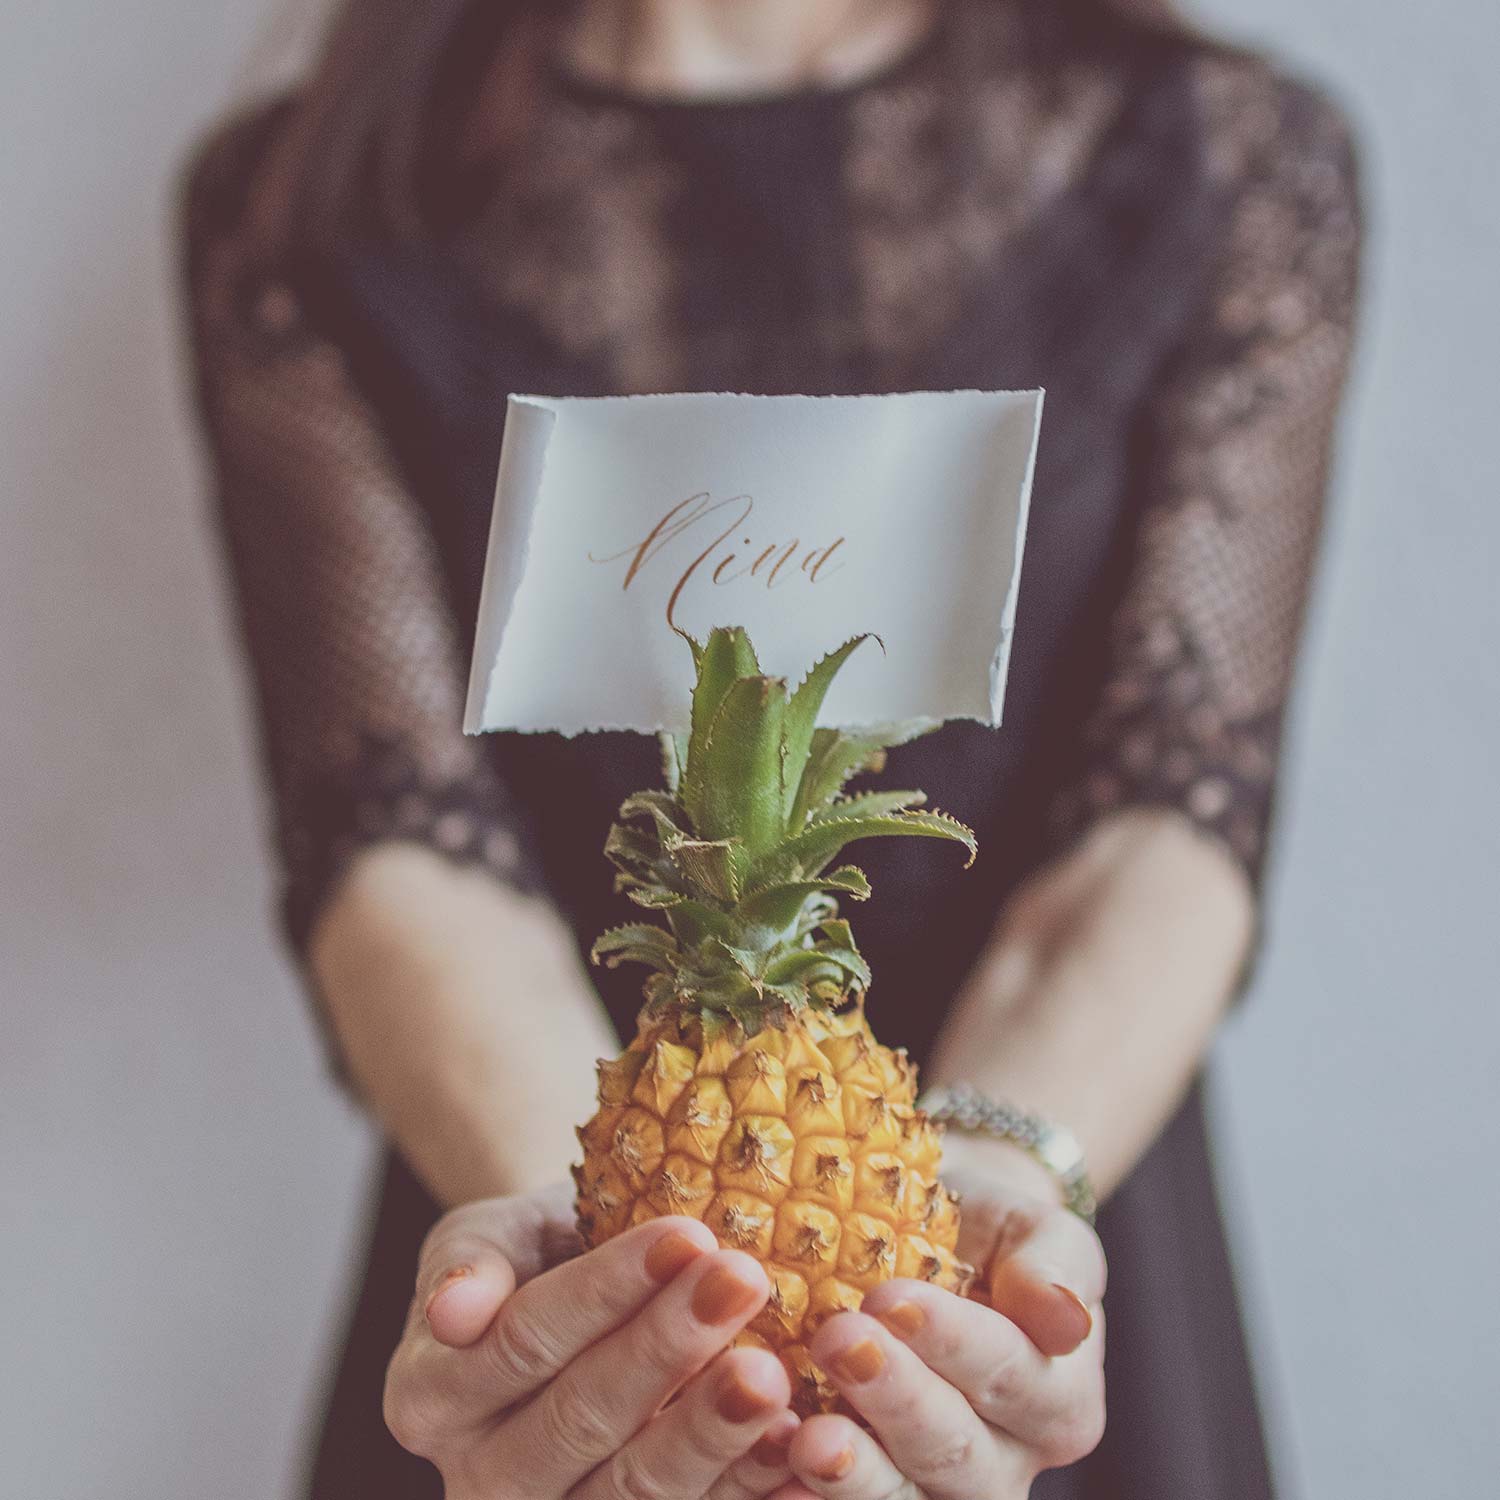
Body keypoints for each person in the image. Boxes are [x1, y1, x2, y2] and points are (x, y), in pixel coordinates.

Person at [179, 0, 1362, 1495]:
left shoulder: (1221, 152)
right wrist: (606, 1280)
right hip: (544, 1190)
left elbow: (1176, 804)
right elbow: (388, 830)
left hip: (1039, 1211)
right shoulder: (309, 201)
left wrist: (995, 1171)